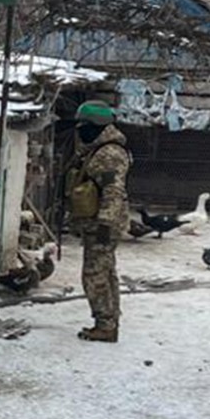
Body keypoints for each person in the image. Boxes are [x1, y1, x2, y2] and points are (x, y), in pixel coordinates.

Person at [63, 100, 132, 343]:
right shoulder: (98, 149)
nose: (81, 130)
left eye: (85, 125)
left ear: (98, 126)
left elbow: (113, 191)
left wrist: (104, 224)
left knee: (95, 274)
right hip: (98, 222)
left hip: (103, 225)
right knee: (106, 270)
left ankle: (105, 324)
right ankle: (109, 320)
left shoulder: (109, 154)